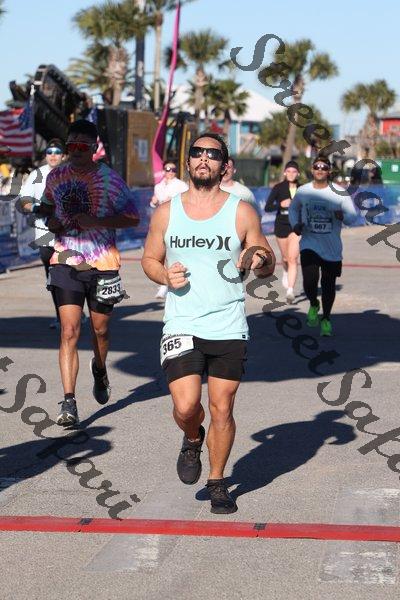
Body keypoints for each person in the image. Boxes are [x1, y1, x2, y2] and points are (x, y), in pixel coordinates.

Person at [141, 132, 275, 514]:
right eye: (197, 153)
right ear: (188, 162)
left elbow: (267, 262)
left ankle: (217, 481)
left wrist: (258, 257)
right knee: (186, 406)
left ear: (224, 165)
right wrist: (164, 275)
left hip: (228, 323)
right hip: (181, 322)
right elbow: (149, 259)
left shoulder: (241, 211)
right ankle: (192, 436)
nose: (204, 159)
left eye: (212, 154)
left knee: (222, 407)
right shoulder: (167, 212)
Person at [36, 119, 140, 426]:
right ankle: (69, 401)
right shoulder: (56, 176)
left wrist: (98, 222)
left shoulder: (111, 180)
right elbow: (47, 208)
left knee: (100, 330)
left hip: (102, 264)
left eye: (83, 146)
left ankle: (99, 368)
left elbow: (133, 218)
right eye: (72, 146)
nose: (77, 151)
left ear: (95, 148)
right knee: (69, 330)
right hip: (65, 260)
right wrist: (51, 222)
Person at [289, 156, 357, 336]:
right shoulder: (303, 191)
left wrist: (342, 216)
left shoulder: (339, 192)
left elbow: (353, 217)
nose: (320, 169)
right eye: (317, 166)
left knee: (328, 285)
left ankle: (326, 318)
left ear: (329, 171)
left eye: (324, 167)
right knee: (310, 281)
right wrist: (295, 225)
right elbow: (293, 208)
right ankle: (313, 303)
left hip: (331, 247)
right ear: (312, 170)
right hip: (309, 244)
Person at [19, 139, 66, 328]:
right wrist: (35, 207)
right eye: (49, 152)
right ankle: (61, 316)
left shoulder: (71, 173)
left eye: (57, 152)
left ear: (64, 156)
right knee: (53, 278)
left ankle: (73, 313)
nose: (53, 155)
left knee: (69, 278)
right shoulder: (36, 174)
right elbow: (24, 200)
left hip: (69, 236)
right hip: (45, 235)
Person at [150, 161, 188, 299]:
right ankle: (164, 282)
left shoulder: (181, 185)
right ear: (163, 171)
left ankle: (171, 282)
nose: (170, 172)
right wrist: (153, 202)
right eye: (167, 169)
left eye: (173, 169)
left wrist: (174, 200)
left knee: (173, 253)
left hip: (176, 223)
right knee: (160, 254)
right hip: (162, 223)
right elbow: (154, 204)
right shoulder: (158, 186)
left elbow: (188, 202)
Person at [265, 160, 300, 304]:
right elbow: (267, 207)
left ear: (298, 173)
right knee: (285, 258)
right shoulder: (279, 188)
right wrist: (280, 205)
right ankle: (285, 270)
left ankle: (290, 291)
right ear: (285, 173)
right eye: (289, 171)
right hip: (281, 226)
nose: (291, 174)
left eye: (294, 171)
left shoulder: (302, 189)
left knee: (293, 259)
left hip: (296, 227)